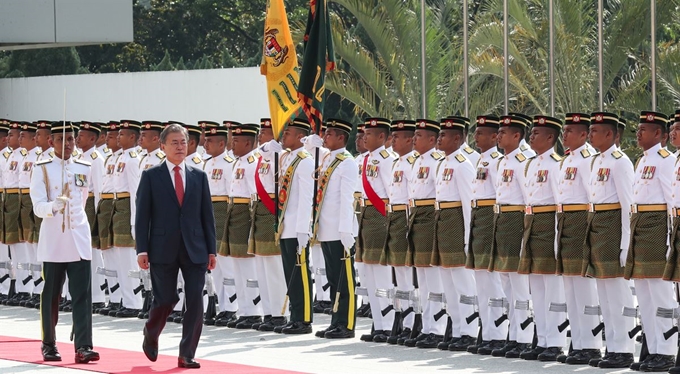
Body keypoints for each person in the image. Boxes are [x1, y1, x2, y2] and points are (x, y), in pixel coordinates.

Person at [136, 123, 217, 369]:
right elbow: (142, 216)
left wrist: (211, 249)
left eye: (183, 142)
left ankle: (186, 353)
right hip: (162, 247)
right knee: (165, 299)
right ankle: (151, 332)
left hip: (195, 248)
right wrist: (142, 249)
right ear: (162, 147)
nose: (180, 147)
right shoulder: (151, 176)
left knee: (195, 300)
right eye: (174, 143)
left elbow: (207, 216)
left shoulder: (199, 175)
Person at [30, 120, 99, 363]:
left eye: (71, 139)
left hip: (78, 237)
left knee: (82, 295)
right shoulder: (42, 168)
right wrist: (53, 207)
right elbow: (37, 206)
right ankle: (48, 344)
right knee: (51, 295)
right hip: (55, 240)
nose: (68, 144)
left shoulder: (84, 166)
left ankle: (83, 346)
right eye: (62, 140)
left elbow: (86, 200)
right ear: (51, 142)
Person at [582, 112, 636, 369]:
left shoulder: (620, 161)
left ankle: (624, 348)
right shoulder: (595, 161)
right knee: (603, 291)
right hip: (597, 225)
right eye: (590, 130)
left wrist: (626, 243)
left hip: (614, 226)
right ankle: (612, 346)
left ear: (611, 135)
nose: (590, 134)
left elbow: (628, 205)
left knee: (616, 291)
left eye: (595, 130)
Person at [625, 111, 677, 371]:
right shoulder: (642, 160)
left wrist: (670, 237)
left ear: (659, 134)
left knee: (659, 292)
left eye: (643, 129)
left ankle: (666, 350)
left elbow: (672, 201)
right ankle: (652, 348)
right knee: (644, 293)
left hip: (657, 228)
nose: (638, 133)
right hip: (640, 227)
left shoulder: (667, 161)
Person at [516, 115, 566, 361]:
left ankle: (555, 342)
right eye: (531, 132)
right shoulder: (530, 164)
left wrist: (558, 237)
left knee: (552, 287)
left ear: (550, 137)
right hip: (532, 222)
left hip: (548, 223)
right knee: (536, 286)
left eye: (536, 133)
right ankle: (543, 337)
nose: (531, 137)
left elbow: (559, 203)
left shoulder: (557, 164)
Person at [555, 113, 602, 365]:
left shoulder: (587, 160)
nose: (564, 136)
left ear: (583, 135)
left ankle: (592, 345)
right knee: (570, 288)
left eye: (569, 131)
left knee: (584, 289)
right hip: (566, 223)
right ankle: (579, 343)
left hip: (581, 222)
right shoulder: (566, 160)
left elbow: (592, 197)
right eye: (563, 131)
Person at [264, 117, 315, 334]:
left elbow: (306, 197)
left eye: (288, 133)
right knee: (289, 273)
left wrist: (304, 228)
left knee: (299, 272)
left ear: (300, 137)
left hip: (297, 224)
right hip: (285, 223)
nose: (283, 136)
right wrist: (268, 149)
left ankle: (303, 319)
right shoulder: (285, 157)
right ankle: (294, 315)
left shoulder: (305, 161)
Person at [489, 115, 533, 358]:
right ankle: (514, 334)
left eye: (503, 133)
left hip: (517, 221)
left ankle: (524, 336)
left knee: (519, 284)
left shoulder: (522, 160)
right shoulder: (504, 161)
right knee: (506, 280)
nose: (498, 136)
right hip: (502, 220)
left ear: (516, 136)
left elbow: (529, 199)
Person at [465, 115, 508, 355]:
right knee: (481, 279)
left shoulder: (498, 161)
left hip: (492, 218)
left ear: (494, 136)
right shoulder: (481, 160)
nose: (476, 136)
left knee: (494, 280)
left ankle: (499, 332)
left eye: (481, 133)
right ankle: (488, 330)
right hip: (479, 219)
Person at [314, 118, 359, 339]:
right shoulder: (328, 159)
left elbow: (347, 198)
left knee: (344, 279)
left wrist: (346, 230)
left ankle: (347, 323)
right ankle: (335, 320)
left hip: (341, 229)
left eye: (330, 133)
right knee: (333, 278)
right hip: (327, 227)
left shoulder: (347, 162)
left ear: (341, 137)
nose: (325, 137)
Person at [404, 119, 447, 349]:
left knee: (434, 277)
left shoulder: (438, 162)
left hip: (431, 216)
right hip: (416, 217)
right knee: (422, 276)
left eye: (419, 136)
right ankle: (427, 325)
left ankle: (437, 328)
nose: (414, 139)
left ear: (432, 140)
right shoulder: (414, 161)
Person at [220, 122, 264, 328]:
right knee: (237, 265)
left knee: (249, 267)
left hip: (246, 216)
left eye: (236, 140)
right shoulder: (238, 162)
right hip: (234, 214)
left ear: (248, 142)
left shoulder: (253, 162)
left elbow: (255, 198)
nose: (232, 143)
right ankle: (244, 308)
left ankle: (254, 310)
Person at [356, 117, 395, 343]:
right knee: (368, 274)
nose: (364, 138)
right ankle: (378, 323)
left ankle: (388, 324)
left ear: (381, 137)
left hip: (380, 216)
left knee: (381, 274)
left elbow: (392, 193)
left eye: (369, 134)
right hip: (365, 216)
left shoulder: (387, 160)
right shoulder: (365, 159)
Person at [249, 118, 289, 332]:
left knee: (274, 267)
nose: (259, 137)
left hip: (273, 209)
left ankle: (279, 313)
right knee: (261, 267)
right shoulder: (263, 155)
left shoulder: (281, 156)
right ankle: (268, 311)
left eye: (263, 133)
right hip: (259, 211)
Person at [381, 119, 418, 345]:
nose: (392, 140)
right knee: (399, 274)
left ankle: (414, 319)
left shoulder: (413, 163)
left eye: (397, 136)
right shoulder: (396, 162)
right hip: (394, 217)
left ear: (410, 140)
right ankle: (404, 318)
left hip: (406, 219)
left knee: (410, 275)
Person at [201, 121, 238, 327]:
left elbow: (231, 195)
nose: (205, 145)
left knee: (227, 263)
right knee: (214, 264)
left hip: (223, 212)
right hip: (209, 212)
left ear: (222, 143)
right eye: (205, 141)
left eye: (210, 141)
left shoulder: (229, 164)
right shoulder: (207, 163)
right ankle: (220, 305)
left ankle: (231, 307)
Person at [75, 122, 107, 312]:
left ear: (93, 139)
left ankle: (97, 296)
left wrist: (98, 215)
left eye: (82, 135)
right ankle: (84, 293)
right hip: (80, 205)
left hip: (92, 206)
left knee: (93, 252)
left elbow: (100, 190)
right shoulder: (78, 158)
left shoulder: (96, 159)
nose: (78, 138)